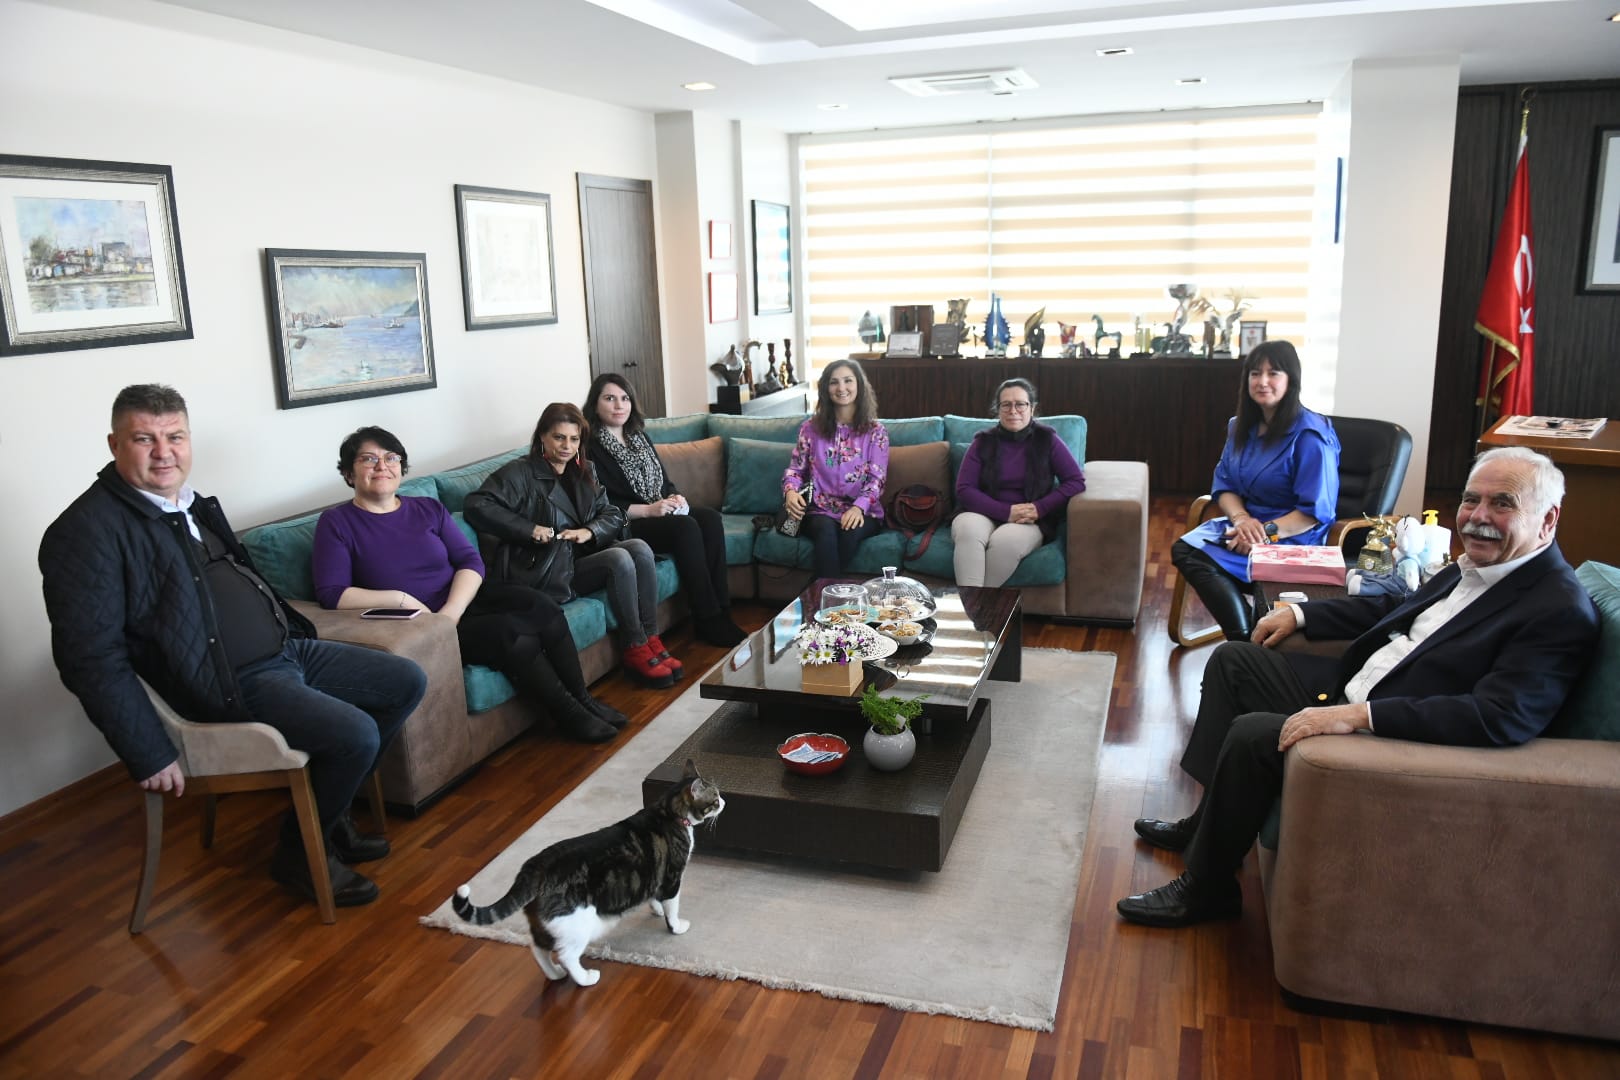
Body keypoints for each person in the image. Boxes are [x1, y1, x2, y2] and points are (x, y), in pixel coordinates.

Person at [1118, 447, 1599, 928]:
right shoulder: (1476, 565)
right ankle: (1206, 825)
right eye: (1471, 499)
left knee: (1253, 733)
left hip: (1391, 732)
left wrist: (1358, 716)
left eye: (1502, 503)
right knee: (1234, 661)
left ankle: (1208, 889)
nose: (1478, 517)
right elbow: (1395, 607)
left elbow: (1499, 716)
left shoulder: (1556, 610)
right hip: (1354, 689)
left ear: (1548, 519)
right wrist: (1301, 613)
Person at [38, 385, 427, 908]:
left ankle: (326, 818)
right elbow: (88, 658)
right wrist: (146, 751)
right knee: (354, 734)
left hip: (285, 652)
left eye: (175, 437)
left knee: (404, 679)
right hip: (227, 680)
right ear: (114, 444)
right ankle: (300, 852)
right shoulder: (86, 532)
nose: (164, 452)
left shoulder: (188, 504)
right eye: (144, 439)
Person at [312, 426, 625, 744]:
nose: (382, 466)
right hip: (418, 623)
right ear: (349, 473)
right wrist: (401, 599)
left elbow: (469, 561)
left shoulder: (427, 509)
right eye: (369, 459)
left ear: (401, 467)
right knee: (510, 633)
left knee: (542, 606)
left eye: (391, 458)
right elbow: (332, 593)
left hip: (459, 601)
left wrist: (452, 611)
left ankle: (584, 700)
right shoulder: (337, 523)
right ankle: (570, 715)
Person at [464, 403, 682, 689]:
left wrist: (589, 532)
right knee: (618, 557)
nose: (567, 446)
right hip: (548, 569)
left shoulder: (585, 469)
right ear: (542, 436)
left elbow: (612, 513)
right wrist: (529, 529)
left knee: (639, 547)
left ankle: (651, 638)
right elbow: (476, 504)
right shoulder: (520, 473)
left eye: (574, 439)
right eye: (559, 437)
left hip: (581, 558)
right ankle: (634, 647)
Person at [1170, 341, 1341, 641]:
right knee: (1185, 549)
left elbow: (1314, 513)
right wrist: (1241, 520)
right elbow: (1225, 485)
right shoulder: (1239, 427)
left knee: (1200, 557)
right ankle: (1250, 637)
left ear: (1291, 380)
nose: (1262, 381)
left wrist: (1263, 534)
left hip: (1292, 537)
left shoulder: (1310, 435)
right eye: (1255, 373)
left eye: (1273, 373)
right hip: (1247, 526)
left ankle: (1246, 642)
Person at [584, 374, 747, 647]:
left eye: (624, 398)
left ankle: (722, 611)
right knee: (685, 527)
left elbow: (664, 481)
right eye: (609, 398)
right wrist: (649, 510)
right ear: (595, 404)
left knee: (708, 518)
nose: (619, 405)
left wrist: (674, 496)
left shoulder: (638, 437)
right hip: (628, 523)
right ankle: (706, 618)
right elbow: (600, 503)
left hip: (658, 512)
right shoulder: (590, 448)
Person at [952, 378, 1086, 587]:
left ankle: (974, 604)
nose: (1013, 410)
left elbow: (1075, 481)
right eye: (1006, 404)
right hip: (981, 513)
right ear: (998, 410)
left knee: (1005, 542)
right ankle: (977, 605)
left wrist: (1040, 508)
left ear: (1032, 408)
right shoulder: (982, 442)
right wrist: (1005, 512)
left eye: (1020, 404)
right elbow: (964, 489)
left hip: (1027, 519)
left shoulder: (1047, 440)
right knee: (968, 531)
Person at [781, 359, 889, 578]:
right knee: (825, 530)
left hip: (863, 511)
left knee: (848, 533)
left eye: (848, 381)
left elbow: (876, 479)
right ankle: (827, 595)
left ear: (859, 385)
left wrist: (858, 508)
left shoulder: (876, 432)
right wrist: (790, 491)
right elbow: (796, 470)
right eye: (834, 382)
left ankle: (817, 592)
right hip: (820, 510)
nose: (841, 388)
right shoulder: (810, 429)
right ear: (825, 388)